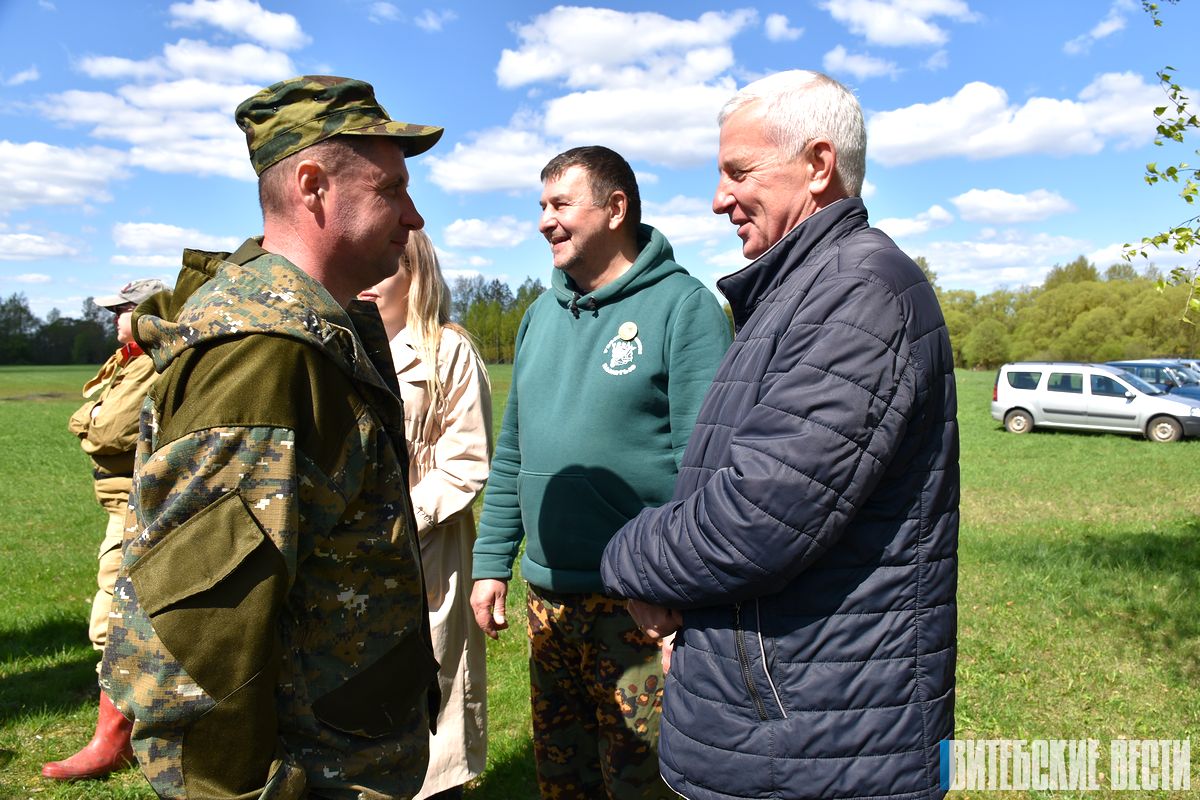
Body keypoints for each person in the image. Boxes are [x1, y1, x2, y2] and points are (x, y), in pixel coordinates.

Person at [600, 70, 959, 800]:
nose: (718, 197)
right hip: (786, 727)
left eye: (739, 171)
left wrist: (626, 557)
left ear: (819, 165)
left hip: (821, 750)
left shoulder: (859, 294)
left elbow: (754, 520)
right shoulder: (800, 292)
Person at [99, 75, 445, 800]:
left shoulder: (314, 330)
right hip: (308, 775)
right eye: (391, 189)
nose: (414, 216)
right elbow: (203, 635)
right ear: (314, 185)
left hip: (346, 755)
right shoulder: (265, 352)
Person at [470, 145, 732, 800]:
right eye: (541, 206)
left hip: (638, 609)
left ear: (616, 208)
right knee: (563, 781)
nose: (544, 222)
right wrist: (490, 561)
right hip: (547, 605)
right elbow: (514, 450)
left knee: (642, 785)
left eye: (560, 205)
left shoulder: (683, 308)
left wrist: (673, 585)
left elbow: (707, 467)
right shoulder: (538, 315)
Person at [358, 230, 492, 800]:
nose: (367, 283)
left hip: (426, 556)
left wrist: (392, 521)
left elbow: (466, 460)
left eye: (382, 269)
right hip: (347, 560)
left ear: (415, 274)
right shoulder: (340, 347)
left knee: (433, 698)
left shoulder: (448, 351)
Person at [41, 278, 165, 782]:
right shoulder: (128, 358)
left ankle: (113, 743)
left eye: (124, 308)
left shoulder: (152, 359)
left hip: (137, 509)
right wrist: (90, 421)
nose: (115, 317)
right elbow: (87, 415)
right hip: (121, 507)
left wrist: (90, 422)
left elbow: (106, 430)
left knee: (111, 624)